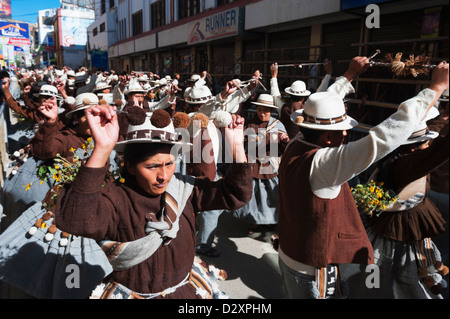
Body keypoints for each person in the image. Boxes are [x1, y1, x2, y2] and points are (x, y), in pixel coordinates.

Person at [276, 57, 449, 299]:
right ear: (327, 138)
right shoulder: (327, 163)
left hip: (289, 254)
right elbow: (383, 137)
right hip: (311, 268)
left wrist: (349, 74)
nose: (346, 134)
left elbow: (326, 100)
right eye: (341, 131)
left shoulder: (297, 142)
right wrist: (436, 89)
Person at [54, 104, 253, 299]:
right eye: (152, 167)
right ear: (130, 166)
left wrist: (236, 147)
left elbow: (235, 195)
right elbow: (76, 220)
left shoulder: (184, 189)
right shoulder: (115, 199)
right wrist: (102, 149)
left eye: (170, 164)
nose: (164, 176)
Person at [350, 107, 449, 299]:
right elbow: (440, 151)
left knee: (377, 270)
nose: (429, 145)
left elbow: (429, 142)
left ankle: (372, 290)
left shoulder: (393, 157)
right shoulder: (411, 163)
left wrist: (443, 118)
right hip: (403, 227)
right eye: (426, 143)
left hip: (391, 223)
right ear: (414, 147)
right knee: (406, 276)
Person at [231, 93, 289, 234]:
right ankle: (255, 220)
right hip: (254, 165)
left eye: (266, 110)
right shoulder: (250, 124)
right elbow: (244, 144)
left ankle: (273, 221)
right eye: (260, 110)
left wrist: (284, 141)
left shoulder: (278, 125)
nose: (262, 113)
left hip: (271, 166)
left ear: (271, 111)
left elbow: (283, 149)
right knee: (255, 196)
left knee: (272, 197)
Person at [270, 59, 333, 139]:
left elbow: (275, 95)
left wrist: (274, 76)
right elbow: (319, 93)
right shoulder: (309, 108)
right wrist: (328, 74)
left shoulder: (283, 108)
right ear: (304, 97)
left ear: (289, 94)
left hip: (287, 148)